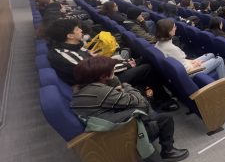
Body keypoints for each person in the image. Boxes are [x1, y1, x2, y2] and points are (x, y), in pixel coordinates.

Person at [70, 56, 188, 162]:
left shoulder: (81, 89)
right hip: (122, 133)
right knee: (165, 118)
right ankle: (168, 151)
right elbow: (139, 102)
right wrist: (125, 85)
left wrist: (118, 85)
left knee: (142, 93)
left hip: (105, 130)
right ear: (102, 76)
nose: (114, 71)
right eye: (112, 70)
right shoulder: (101, 92)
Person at [46, 19, 177, 110]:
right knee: (147, 68)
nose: (81, 30)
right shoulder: (66, 55)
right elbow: (97, 72)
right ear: (69, 35)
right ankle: (162, 99)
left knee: (144, 59)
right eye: (77, 29)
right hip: (100, 84)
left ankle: (149, 94)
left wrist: (126, 63)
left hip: (102, 75)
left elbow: (98, 62)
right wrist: (127, 65)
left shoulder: (73, 46)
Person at [154, 19, 225, 85]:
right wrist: (195, 64)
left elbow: (179, 60)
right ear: (169, 31)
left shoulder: (158, 44)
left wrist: (192, 61)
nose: (176, 28)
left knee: (211, 55)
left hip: (184, 65)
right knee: (219, 59)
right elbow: (185, 69)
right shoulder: (171, 48)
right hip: (190, 73)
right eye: (174, 27)